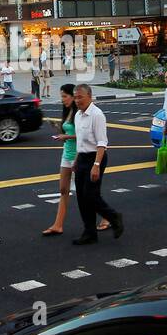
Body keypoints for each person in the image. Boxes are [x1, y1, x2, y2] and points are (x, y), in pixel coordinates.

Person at [42, 85, 109, 237]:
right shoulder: (70, 112)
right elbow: (71, 130)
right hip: (68, 153)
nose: (63, 99)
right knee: (63, 189)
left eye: (65, 96)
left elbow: (88, 137)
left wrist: (67, 137)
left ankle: (107, 217)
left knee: (89, 192)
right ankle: (58, 225)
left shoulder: (84, 113)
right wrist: (59, 128)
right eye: (62, 96)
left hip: (80, 154)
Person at [71, 84, 124, 245]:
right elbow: (80, 140)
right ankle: (89, 232)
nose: (77, 100)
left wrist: (96, 165)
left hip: (96, 157)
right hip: (82, 158)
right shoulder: (78, 115)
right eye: (75, 97)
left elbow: (102, 142)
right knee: (81, 196)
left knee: (91, 195)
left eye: (80, 97)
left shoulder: (97, 115)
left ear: (90, 97)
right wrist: (75, 160)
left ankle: (114, 217)